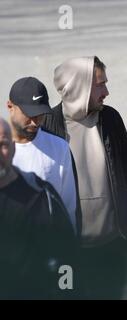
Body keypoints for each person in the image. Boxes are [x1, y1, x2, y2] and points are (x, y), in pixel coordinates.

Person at [42, 56, 127, 299]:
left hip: (112, 244)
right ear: (79, 86)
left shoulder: (111, 119)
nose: (106, 91)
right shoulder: (48, 125)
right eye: (100, 84)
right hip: (69, 250)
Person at [0, 117, 77, 299]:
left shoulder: (42, 197)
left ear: (12, 149)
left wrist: (69, 293)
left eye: (2, 145)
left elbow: (67, 258)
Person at [6, 77, 78, 233]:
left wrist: (70, 250)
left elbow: (69, 206)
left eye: (40, 114)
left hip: (45, 247)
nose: (35, 122)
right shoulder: (2, 150)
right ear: (10, 106)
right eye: (29, 114)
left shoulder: (60, 148)